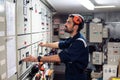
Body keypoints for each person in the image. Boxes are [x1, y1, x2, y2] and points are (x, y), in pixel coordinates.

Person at [22, 14, 89, 80]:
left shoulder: (79, 42)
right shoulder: (73, 38)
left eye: (69, 22)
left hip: (77, 77)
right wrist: (45, 44)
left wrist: (37, 59)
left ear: (75, 27)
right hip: (71, 74)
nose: (65, 24)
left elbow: (59, 58)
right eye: (66, 21)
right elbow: (60, 44)